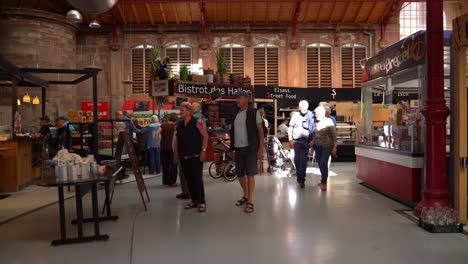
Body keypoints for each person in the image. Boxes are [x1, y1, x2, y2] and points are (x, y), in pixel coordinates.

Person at [231, 91, 264, 214]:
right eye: (236, 98)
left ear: (246, 99)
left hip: (250, 148)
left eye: (238, 98)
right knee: (240, 175)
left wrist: (260, 149)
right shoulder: (235, 114)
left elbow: (261, 132)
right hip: (238, 148)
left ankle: (250, 200)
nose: (236, 100)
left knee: (250, 175)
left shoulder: (254, 113)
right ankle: (245, 195)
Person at [173, 102, 209, 213]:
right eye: (180, 110)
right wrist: (175, 153)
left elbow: (205, 136)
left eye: (182, 110)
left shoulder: (198, 121)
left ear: (189, 111)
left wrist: (203, 150)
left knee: (197, 179)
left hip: (196, 155)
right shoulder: (179, 124)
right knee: (188, 179)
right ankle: (194, 200)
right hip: (184, 156)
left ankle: (202, 201)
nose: (180, 112)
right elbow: (177, 140)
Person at [288, 100, 315, 188]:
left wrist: (313, 140)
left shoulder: (311, 115)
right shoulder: (295, 115)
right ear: (299, 108)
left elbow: (314, 128)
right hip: (296, 141)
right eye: (302, 107)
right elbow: (290, 127)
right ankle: (299, 176)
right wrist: (290, 139)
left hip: (306, 141)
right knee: (297, 159)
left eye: (306, 107)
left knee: (303, 160)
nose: (304, 108)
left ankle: (302, 179)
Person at [312, 105, 337, 191]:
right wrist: (313, 142)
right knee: (320, 163)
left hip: (327, 145)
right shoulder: (316, 122)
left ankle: (324, 182)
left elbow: (334, 135)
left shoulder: (329, 121)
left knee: (323, 162)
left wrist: (334, 147)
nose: (315, 115)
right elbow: (314, 134)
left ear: (322, 114)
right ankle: (323, 178)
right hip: (317, 146)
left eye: (316, 114)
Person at [158, 113, 178, 186]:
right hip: (172, 148)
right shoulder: (175, 126)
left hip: (163, 147)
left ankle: (165, 181)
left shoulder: (163, 125)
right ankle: (172, 181)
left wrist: (157, 144)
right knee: (173, 164)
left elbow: (157, 134)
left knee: (165, 164)